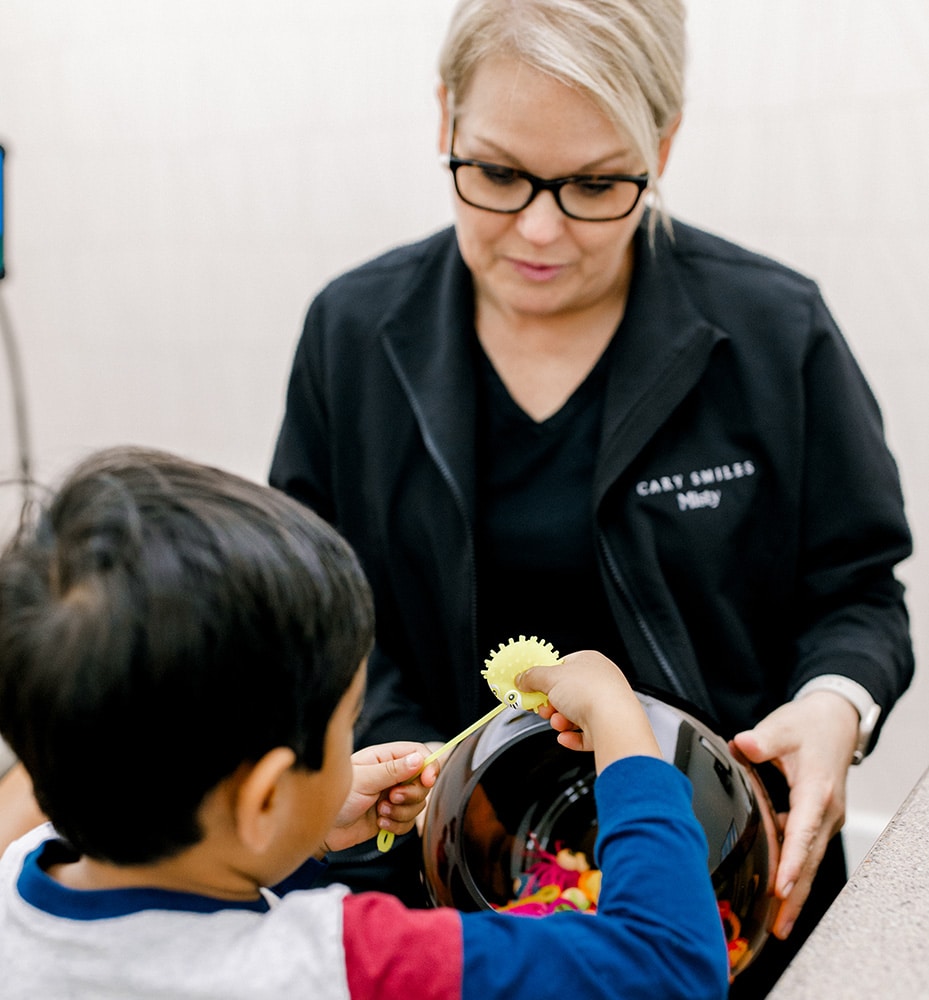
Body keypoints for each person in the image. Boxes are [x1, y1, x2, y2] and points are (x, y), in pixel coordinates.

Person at [268, 0, 914, 994]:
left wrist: (834, 704)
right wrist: (421, 774)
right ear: (445, 119)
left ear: (662, 145)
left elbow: (858, 592)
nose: (539, 229)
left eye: (596, 185)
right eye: (495, 175)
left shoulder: (772, 330)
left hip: (720, 886)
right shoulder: (352, 332)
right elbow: (316, 611)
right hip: (444, 906)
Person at [0, 445, 728, 999]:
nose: (352, 740)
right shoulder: (344, 964)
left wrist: (306, 828)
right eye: (347, 722)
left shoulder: (15, 880)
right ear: (262, 797)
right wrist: (619, 723)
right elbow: (668, 966)